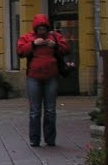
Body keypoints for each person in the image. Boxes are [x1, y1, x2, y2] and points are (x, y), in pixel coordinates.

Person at [16, 13, 70, 147]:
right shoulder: (27, 38)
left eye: (44, 29)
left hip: (51, 77)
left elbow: (66, 49)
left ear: (47, 28)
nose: (42, 31)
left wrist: (55, 46)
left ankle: (50, 139)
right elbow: (20, 51)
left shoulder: (55, 37)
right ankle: (34, 139)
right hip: (33, 77)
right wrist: (33, 44)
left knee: (50, 110)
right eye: (39, 29)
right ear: (35, 29)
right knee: (35, 111)